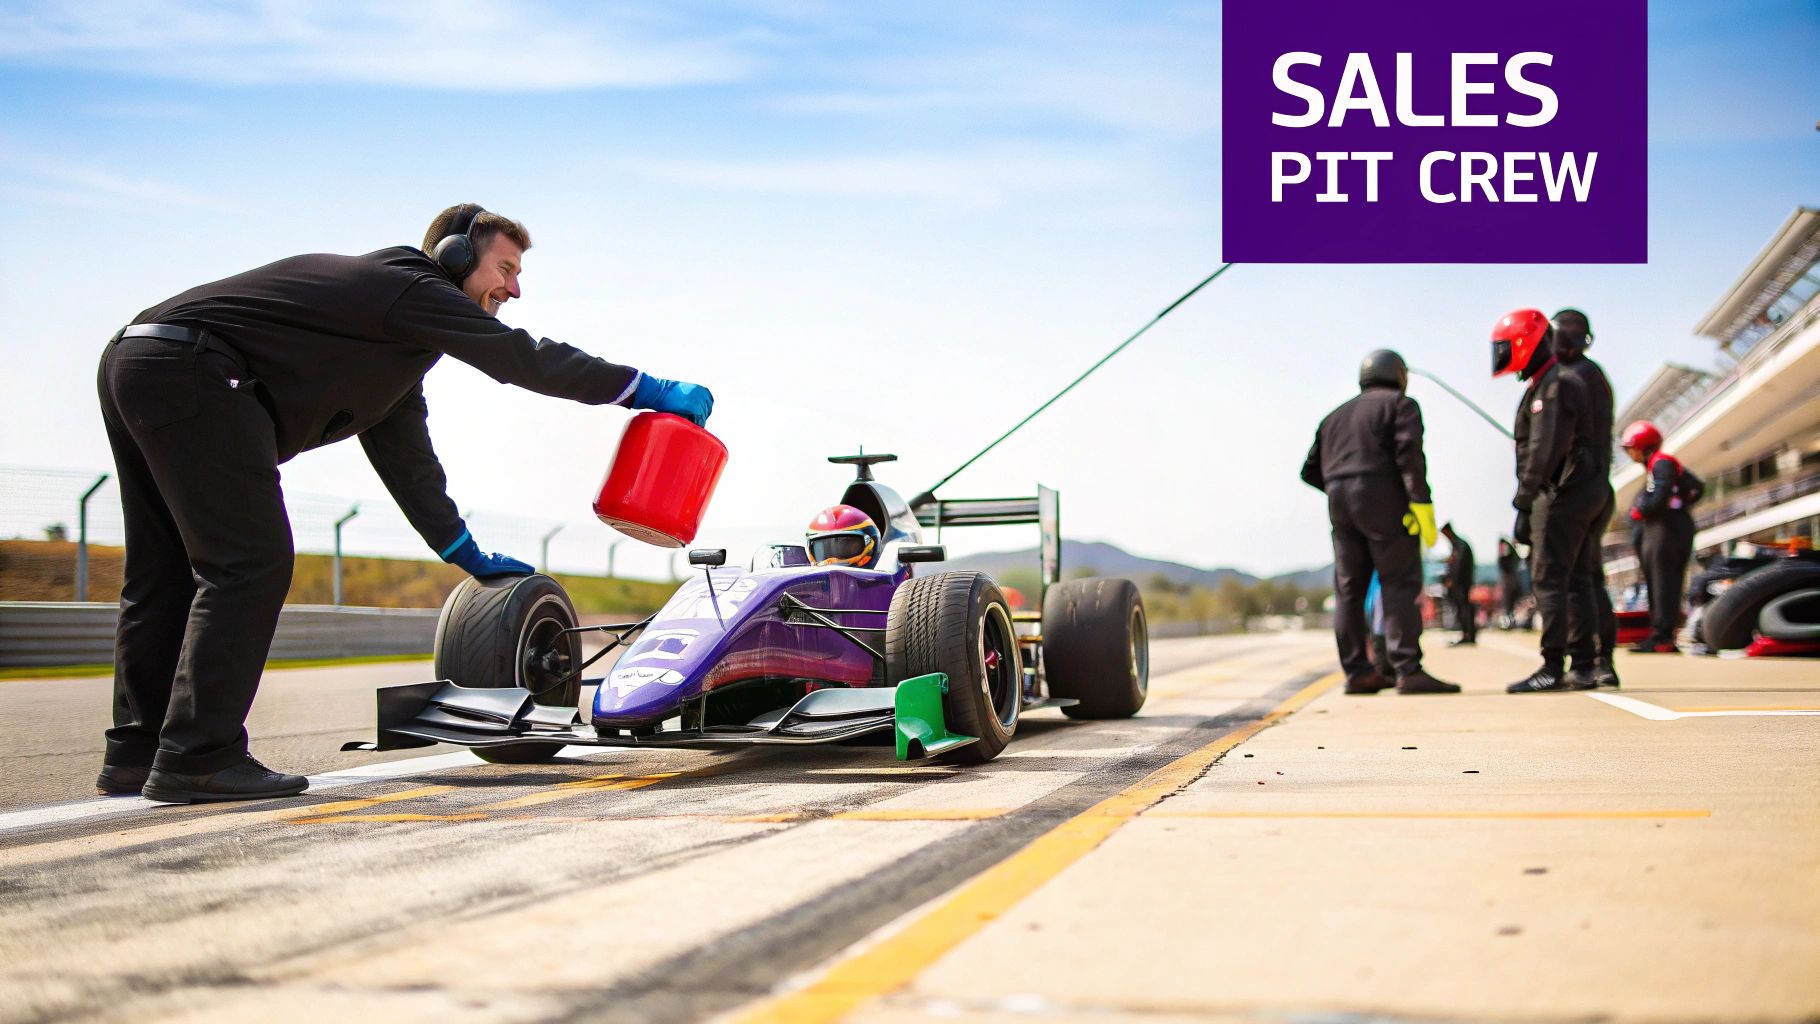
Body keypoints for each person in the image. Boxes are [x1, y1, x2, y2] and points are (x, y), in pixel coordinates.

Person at [97, 203, 714, 803]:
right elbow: (521, 358)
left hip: (139, 360)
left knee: (165, 573)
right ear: (454, 254)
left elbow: (407, 460)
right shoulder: (406, 286)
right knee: (249, 563)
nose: (515, 289)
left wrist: (459, 547)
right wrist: (643, 389)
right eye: (505, 269)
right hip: (196, 368)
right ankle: (199, 758)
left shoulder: (388, 340)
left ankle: (136, 753)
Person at [1302, 349, 1458, 695]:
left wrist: (1340, 485)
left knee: (1349, 589)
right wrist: (1420, 502)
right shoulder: (1401, 405)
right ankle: (1408, 670)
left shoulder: (1333, 417)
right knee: (1399, 581)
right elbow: (1409, 457)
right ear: (1399, 375)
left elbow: (1308, 471)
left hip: (1340, 503)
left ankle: (1358, 672)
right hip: (1383, 497)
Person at [1494, 309, 1605, 693]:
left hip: (1562, 493)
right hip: (1580, 490)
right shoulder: (1553, 383)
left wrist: (1525, 500)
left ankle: (1552, 666)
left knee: (1548, 578)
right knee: (1575, 579)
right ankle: (1586, 665)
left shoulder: (1553, 386)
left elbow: (1544, 449)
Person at [1548, 309, 1620, 687]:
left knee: (1575, 578)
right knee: (1591, 578)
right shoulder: (1595, 376)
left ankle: (1585, 663)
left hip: (1578, 489)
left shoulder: (1569, 379)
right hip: (1599, 488)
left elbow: (1557, 442)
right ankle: (1603, 662)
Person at [1620, 420, 1703, 652]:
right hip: (1665, 529)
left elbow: (1665, 494)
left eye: (1630, 447)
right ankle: (1661, 635)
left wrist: (1642, 509)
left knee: (1663, 583)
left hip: (1667, 530)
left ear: (1642, 445)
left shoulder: (1662, 463)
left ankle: (1662, 638)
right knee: (1660, 582)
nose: (1628, 453)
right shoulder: (1657, 465)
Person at [805, 505, 883, 568]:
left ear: (872, 548)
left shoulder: (891, 587)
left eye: (847, 545)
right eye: (826, 548)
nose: (834, 561)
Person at [1440, 522, 1477, 645]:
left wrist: (1452, 580)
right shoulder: (1457, 544)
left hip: (1462, 584)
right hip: (1460, 584)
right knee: (1462, 608)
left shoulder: (1459, 545)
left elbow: (1459, 565)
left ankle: (1468, 634)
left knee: (1464, 608)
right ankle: (1466, 633)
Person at [1496, 538, 1524, 628]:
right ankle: (1510, 623)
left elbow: (1503, 563)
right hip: (1512, 580)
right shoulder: (1513, 553)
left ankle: (1509, 624)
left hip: (1508, 582)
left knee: (1508, 605)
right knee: (1510, 606)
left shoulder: (1507, 552)